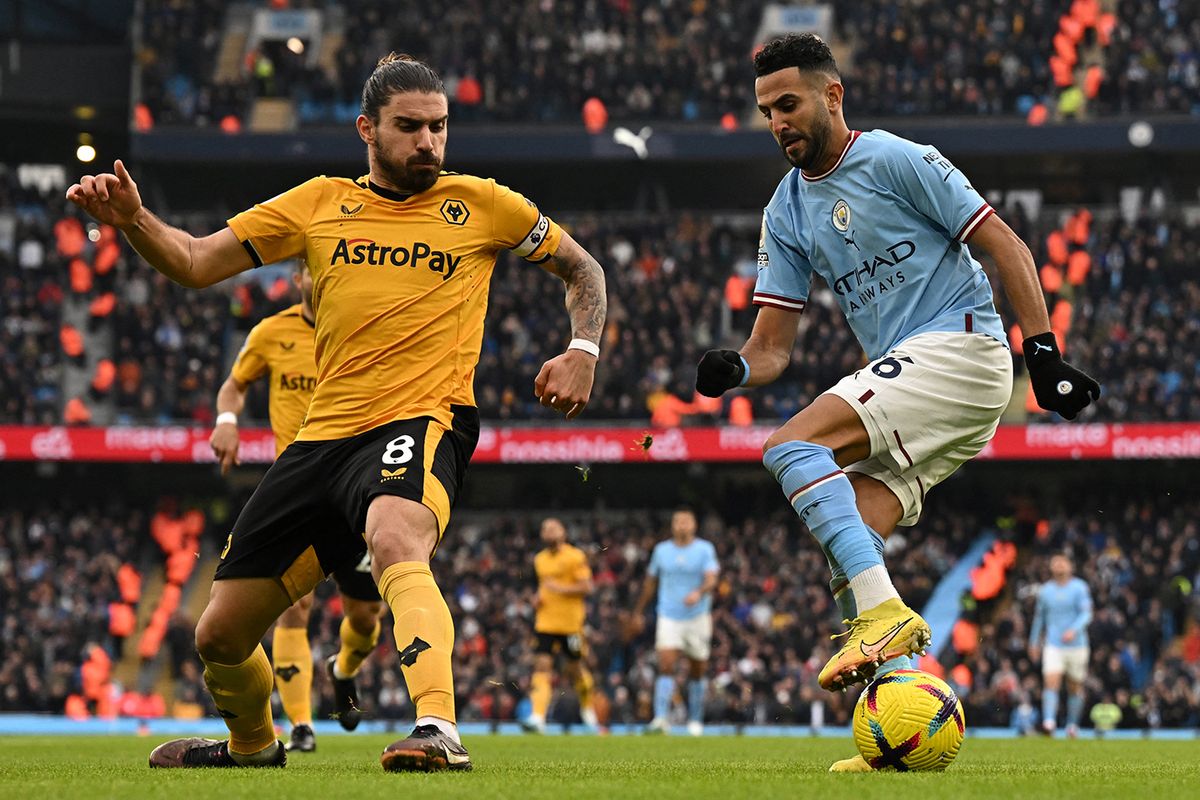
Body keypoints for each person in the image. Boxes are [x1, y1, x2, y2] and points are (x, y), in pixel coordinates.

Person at [67, 53, 607, 772]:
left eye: (439, 127)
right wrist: (134, 219)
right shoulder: (319, 203)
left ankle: (438, 728)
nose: (429, 143)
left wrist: (583, 348)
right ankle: (254, 748)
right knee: (219, 636)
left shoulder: (483, 204)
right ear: (367, 130)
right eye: (410, 127)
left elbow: (585, 269)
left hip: (423, 417)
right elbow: (196, 260)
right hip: (319, 442)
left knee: (394, 538)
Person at [693, 34, 1098, 770]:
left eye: (789, 104)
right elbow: (773, 347)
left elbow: (1005, 242)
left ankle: (884, 618)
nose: (778, 121)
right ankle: (896, 732)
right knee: (851, 545)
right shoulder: (785, 210)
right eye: (766, 111)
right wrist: (736, 368)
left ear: (831, 96)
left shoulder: (896, 159)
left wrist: (1042, 356)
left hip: (962, 349)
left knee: (790, 448)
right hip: (917, 373)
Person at [209, 262, 386, 752]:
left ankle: (343, 669)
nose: (319, 280)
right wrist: (227, 418)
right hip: (297, 485)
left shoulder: (361, 326)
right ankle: (302, 725)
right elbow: (234, 384)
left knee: (367, 615)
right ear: (300, 278)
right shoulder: (271, 332)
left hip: (352, 484)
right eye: (312, 272)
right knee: (293, 607)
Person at [627, 507, 719, 736]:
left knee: (697, 669)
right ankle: (660, 719)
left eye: (686, 521)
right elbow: (650, 582)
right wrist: (638, 611)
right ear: (672, 525)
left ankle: (695, 719)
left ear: (694, 525)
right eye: (678, 521)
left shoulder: (704, 549)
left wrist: (699, 592)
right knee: (666, 664)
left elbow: (711, 579)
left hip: (697, 616)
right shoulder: (661, 550)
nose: (682, 525)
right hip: (668, 615)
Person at [523, 517, 598, 732]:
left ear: (563, 532)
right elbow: (542, 587)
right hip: (545, 623)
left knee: (575, 670)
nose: (549, 532)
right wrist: (537, 598)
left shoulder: (575, 556)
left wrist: (559, 588)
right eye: (545, 528)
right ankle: (538, 717)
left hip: (571, 625)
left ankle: (587, 708)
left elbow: (587, 587)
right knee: (542, 667)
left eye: (554, 528)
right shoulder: (540, 560)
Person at [1029, 554, 1093, 737]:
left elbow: (1087, 614)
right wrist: (1034, 641)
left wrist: (1074, 629)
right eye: (1055, 562)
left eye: (1062, 562)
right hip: (1053, 644)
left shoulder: (1079, 588)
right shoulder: (1045, 591)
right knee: (1051, 682)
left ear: (1070, 566)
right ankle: (1049, 723)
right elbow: (1039, 618)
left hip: (1077, 645)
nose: (1058, 565)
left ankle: (1072, 725)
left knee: (1075, 687)